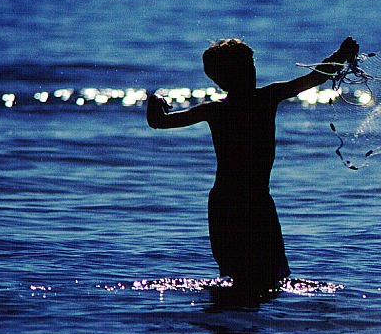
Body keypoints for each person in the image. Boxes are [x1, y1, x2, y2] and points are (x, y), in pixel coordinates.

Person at [147, 36, 359, 292]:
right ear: (223, 78)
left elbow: (315, 78)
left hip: (245, 201)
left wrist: (156, 102)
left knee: (252, 281)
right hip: (238, 204)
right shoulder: (255, 100)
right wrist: (340, 54)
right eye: (243, 68)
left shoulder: (239, 104)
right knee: (260, 281)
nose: (251, 72)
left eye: (251, 66)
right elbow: (160, 122)